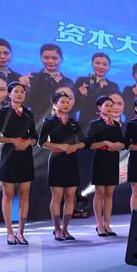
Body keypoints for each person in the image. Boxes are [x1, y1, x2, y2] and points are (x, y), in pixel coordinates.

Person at [0, 82, 38, 245]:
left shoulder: (28, 113)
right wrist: (13, 141)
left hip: (25, 156)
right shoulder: (2, 111)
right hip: (9, 156)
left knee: (24, 194)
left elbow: (35, 137)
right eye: (16, 91)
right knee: (8, 195)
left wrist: (28, 143)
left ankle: (21, 232)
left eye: (22, 92)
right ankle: (10, 232)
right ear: (9, 94)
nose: (19, 94)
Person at [38, 91, 86, 241]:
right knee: (57, 196)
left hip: (71, 160)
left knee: (70, 196)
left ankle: (65, 228)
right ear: (55, 105)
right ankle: (57, 229)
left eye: (67, 101)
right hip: (57, 159)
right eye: (62, 102)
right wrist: (60, 146)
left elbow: (84, 141)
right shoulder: (49, 121)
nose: (66, 104)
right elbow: (42, 142)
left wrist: (75, 146)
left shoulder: (73, 122)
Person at [87, 96, 124, 237]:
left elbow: (123, 143)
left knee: (109, 193)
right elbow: (90, 145)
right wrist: (105, 143)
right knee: (100, 192)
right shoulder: (95, 124)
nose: (110, 108)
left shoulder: (116, 125)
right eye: (106, 105)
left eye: (111, 105)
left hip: (113, 159)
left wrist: (118, 145)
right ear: (99, 107)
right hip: (100, 159)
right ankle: (99, 225)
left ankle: (107, 224)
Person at [24, 43, 74, 123]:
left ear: (61, 59)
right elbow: (24, 104)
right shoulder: (31, 78)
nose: (50, 61)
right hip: (35, 122)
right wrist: (25, 89)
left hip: (60, 124)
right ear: (40, 58)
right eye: (46, 58)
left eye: (54, 58)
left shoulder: (68, 82)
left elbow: (72, 108)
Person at [74, 52, 121, 132]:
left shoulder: (113, 86)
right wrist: (81, 95)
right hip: (84, 124)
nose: (101, 67)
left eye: (105, 64)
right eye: (97, 63)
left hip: (106, 126)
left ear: (109, 67)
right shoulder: (82, 81)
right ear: (92, 63)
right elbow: (74, 107)